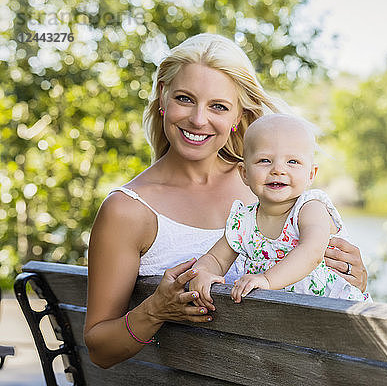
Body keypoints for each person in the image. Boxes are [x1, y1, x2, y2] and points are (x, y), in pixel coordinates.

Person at [83, 33, 368, 369]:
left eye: (218, 106)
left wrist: (353, 275)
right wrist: (155, 310)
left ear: (237, 116)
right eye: (185, 99)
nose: (199, 119)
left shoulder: (266, 184)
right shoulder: (127, 211)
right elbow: (100, 349)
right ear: (163, 97)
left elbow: (316, 271)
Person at [189, 114, 371, 308]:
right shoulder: (244, 221)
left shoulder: (310, 207)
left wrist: (266, 280)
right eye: (265, 160)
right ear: (245, 173)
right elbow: (216, 258)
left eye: (292, 162)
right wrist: (202, 272)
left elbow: (312, 251)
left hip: (335, 315)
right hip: (280, 320)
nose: (278, 169)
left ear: (311, 174)